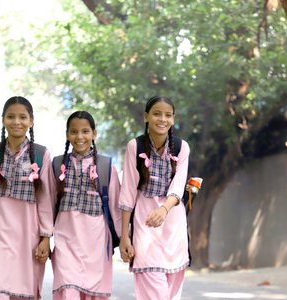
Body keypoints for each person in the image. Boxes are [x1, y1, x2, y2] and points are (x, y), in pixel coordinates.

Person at [0, 96, 54, 299]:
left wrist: (45, 238)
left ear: (31, 121)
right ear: (3, 120)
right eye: (11, 117)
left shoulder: (42, 155)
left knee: (22, 292)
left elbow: (45, 201)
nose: (17, 122)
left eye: (23, 117)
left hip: (27, 237)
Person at [119, 95, 190, 300]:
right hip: (144, 226)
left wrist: (164, 209)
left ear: (173, 119)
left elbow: (178, 186)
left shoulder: (182, 147)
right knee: (155, 293)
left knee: (172, 293)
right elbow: (128, 192)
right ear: (146, 117)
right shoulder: (135, 146)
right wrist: (125, 235)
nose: (162, 119)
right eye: (157, 113)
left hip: (173, 226)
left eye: (168, 115)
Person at [50, 111, 121, 300]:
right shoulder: (57, 164)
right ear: (67, 134)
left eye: (85, 131)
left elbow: (115, 207)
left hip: (96, 243)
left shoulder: (106, 166)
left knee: (93, 294)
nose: (79, 137)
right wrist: (43, 237)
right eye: (74, 131)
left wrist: (125, 240)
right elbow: (48, 205)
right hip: (65, 242)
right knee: (68, 290)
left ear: (94, 134)